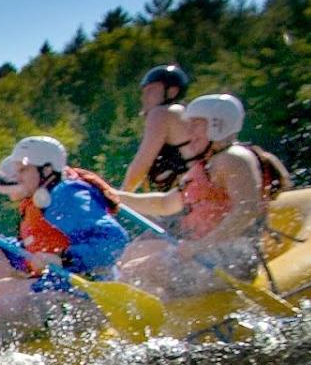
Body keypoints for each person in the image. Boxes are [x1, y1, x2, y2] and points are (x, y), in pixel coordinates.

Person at [114, 93, 292, 299]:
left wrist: (201, 246)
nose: (189, 132)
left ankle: (164, 322)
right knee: (133, 254)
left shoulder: (233, 159)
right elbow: (164, 204)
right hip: (211, 254)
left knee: (138, 269)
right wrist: (112, 195)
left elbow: (247, 210)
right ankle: (173, 316)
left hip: (232, 259)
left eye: (196, 125)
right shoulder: (208, 164)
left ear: (218, 125)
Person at [0, 136, 129, 339]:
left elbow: (114, 240)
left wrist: (65, 257)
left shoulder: (66, 195)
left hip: (82, 298)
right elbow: (28, 257)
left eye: (23, 169)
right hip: (59, 290)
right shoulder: (48, 199)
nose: (17, 176)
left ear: (46, 169)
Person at [121, 64, 194, 192]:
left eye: (151, 91)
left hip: (188, 200)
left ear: (172, 92)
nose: (144, 97)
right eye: (144, 92)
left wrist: (120, 197)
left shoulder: (162, 113)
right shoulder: (182, 113)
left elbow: (141, 165)